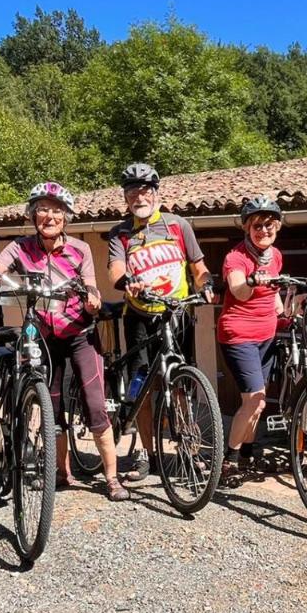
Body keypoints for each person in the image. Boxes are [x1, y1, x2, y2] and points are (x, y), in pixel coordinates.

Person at [0, 182, 129, 502]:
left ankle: (112, 477)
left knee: (94, 405)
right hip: (44, 339)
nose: (49, 216)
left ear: (66, 217)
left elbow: (91, 285)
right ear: (33, 215)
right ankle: (63, 473)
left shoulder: (80, 249)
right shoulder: (20, 247)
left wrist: (92, 298)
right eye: (42, 210)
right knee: (54, 405)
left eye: (56, 210)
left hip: (79, 335)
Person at [106, 162, 216, 483]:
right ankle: (147, 454)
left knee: (179, 383)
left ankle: (189, 449)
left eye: (144, 190)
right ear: (125, 198)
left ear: (156, 192)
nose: (139, 196)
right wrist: (126, 280)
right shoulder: (121, 233)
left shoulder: (178, 226)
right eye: (132, 192)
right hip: (139, 317)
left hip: (176, 316)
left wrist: (206, 284)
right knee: (142, 386)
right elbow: (114, 269)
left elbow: (198, 267)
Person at [217, 196, 285, 484]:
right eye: (257, 225)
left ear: (278, 226)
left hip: (266, 334)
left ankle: (247, 455)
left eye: (269, 225)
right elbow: (239, 290)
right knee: (254, 400)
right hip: (239, 334)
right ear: (247, 227)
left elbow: (275, 289)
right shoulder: (236, 257)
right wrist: (252, 280)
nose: (263, 230)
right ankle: (229, 461)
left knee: (256, 403)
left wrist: (282, 306)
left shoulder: (276, 255)